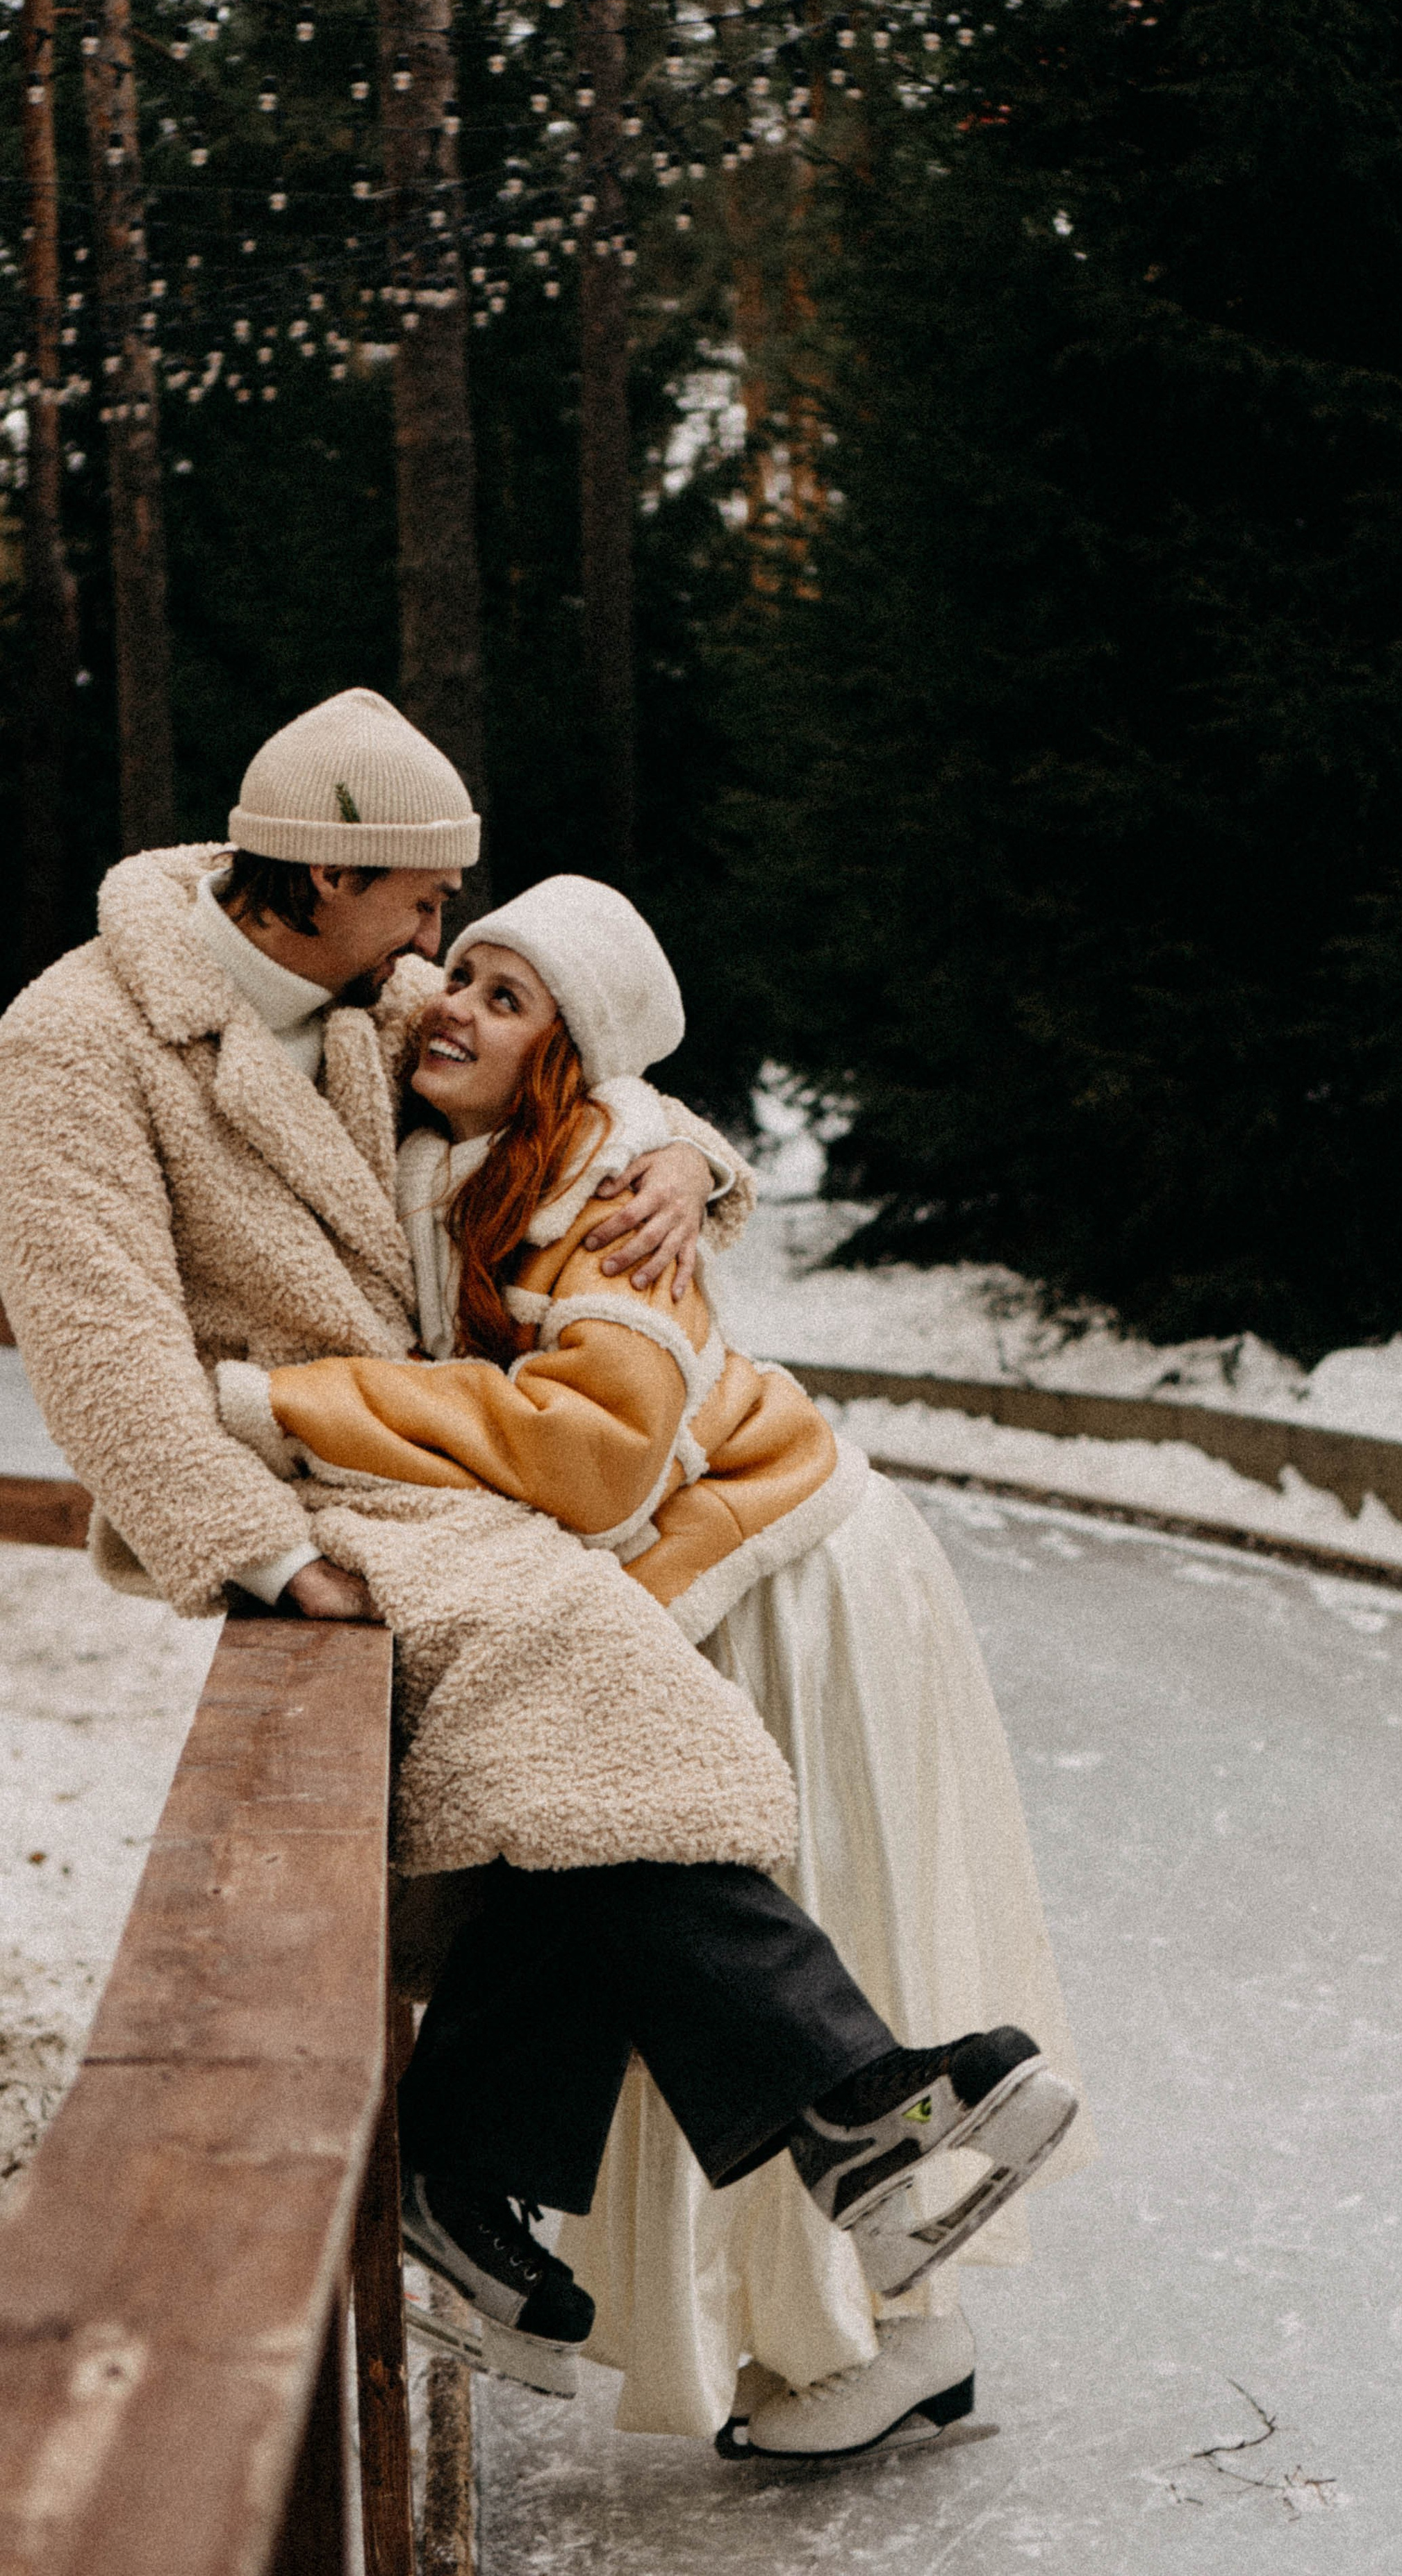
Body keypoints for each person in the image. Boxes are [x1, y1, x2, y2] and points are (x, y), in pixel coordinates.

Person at [0, 690, 1076, 2417]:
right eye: (421, 904)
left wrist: (687, 1164)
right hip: (300, 1477)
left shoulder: (365, 993)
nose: (440, 952)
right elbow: (92, 1338)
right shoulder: (80, 1037)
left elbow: (575, 1076)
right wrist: (254, 1555)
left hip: (421, 1456)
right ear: (330, 874)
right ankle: (841, 2111)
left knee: (572, 1746)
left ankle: (639, 2153)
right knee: (581, 1683)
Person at [213, 869, 1091, 2459]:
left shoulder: (607, 1183)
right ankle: (725, 2183)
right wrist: (697, 1146)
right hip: (664, 1584)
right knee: (593, 1831)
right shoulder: (470, 1141)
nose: (450, 1004)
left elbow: (600, 1461)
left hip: (781, 1574)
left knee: (669, 1858)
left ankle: (859, 2309)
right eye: (456, 968)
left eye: (502, 994)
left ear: (573, 1058)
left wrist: (303, 1405)